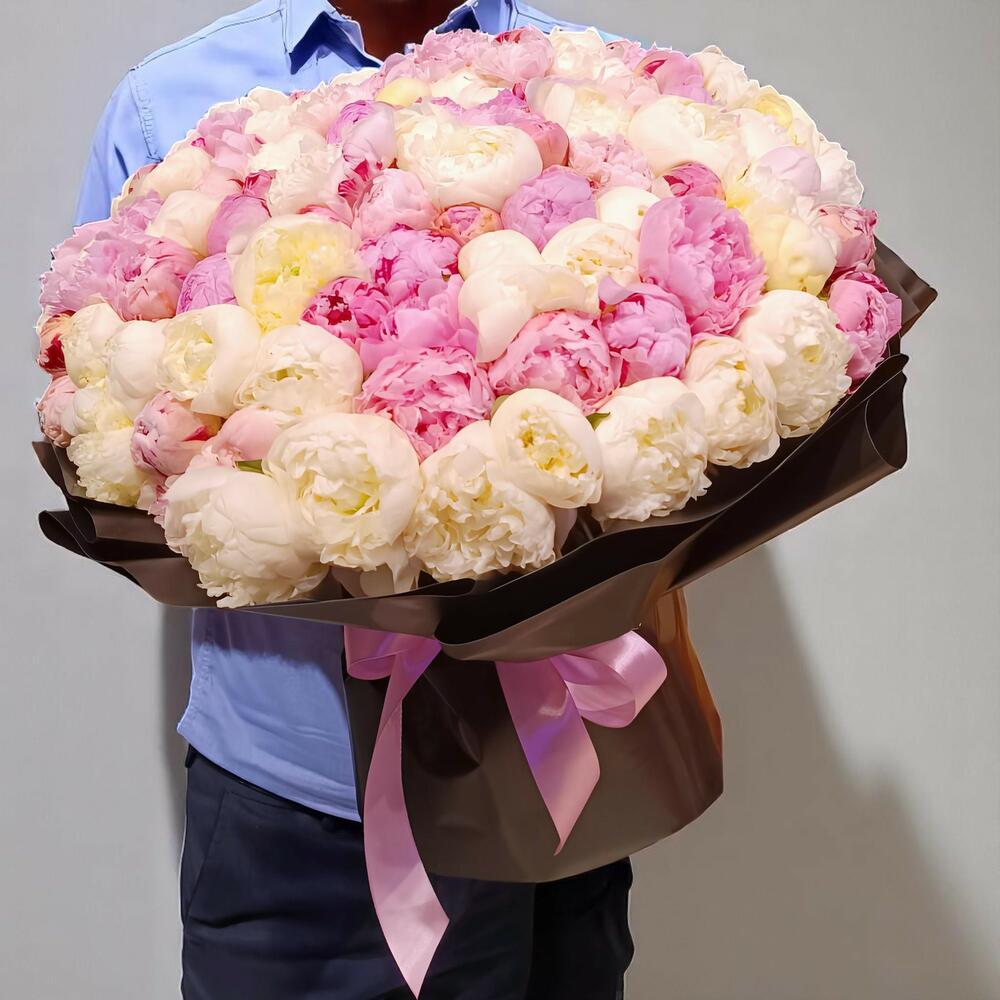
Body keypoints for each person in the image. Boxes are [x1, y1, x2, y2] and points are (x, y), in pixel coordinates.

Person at [75, 2, 635, 998]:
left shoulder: (602, 88)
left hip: (550, 777)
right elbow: (102, 417)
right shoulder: (166, 105)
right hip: (291, 805)